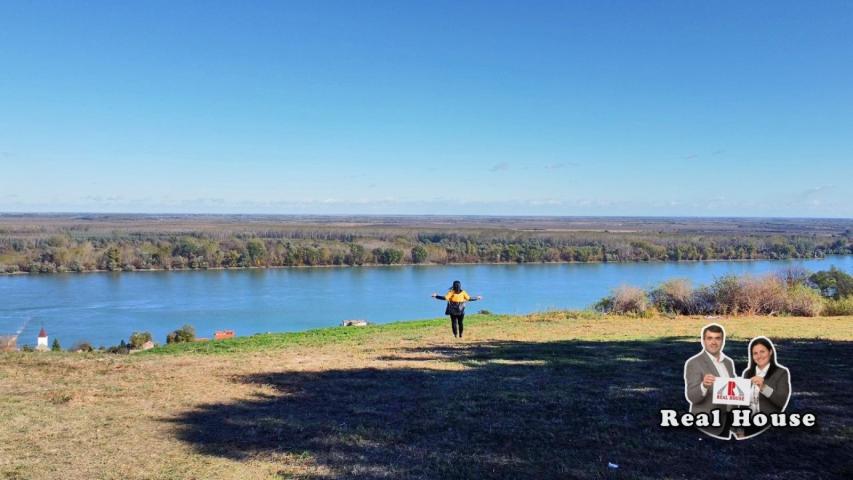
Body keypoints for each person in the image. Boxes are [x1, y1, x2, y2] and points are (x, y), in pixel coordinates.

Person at [683, 323, 736, 439]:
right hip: (706, 424)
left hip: (726, 423)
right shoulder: (694, 363)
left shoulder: (728, 363)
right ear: (703, 340)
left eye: (717, 338)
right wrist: (704, 386)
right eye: (709, 338)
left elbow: (732, 393)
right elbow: (692, 396)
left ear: (723, 341)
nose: (714, 342)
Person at [739, 336, 791, 438]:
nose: (759, 356)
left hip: (768, 424)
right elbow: (742, 404)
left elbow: (781, 401)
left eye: (762, 351)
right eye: (755, 353)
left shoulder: (781, 373)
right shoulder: (747, 373)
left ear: (770, 352)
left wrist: (763, 387)